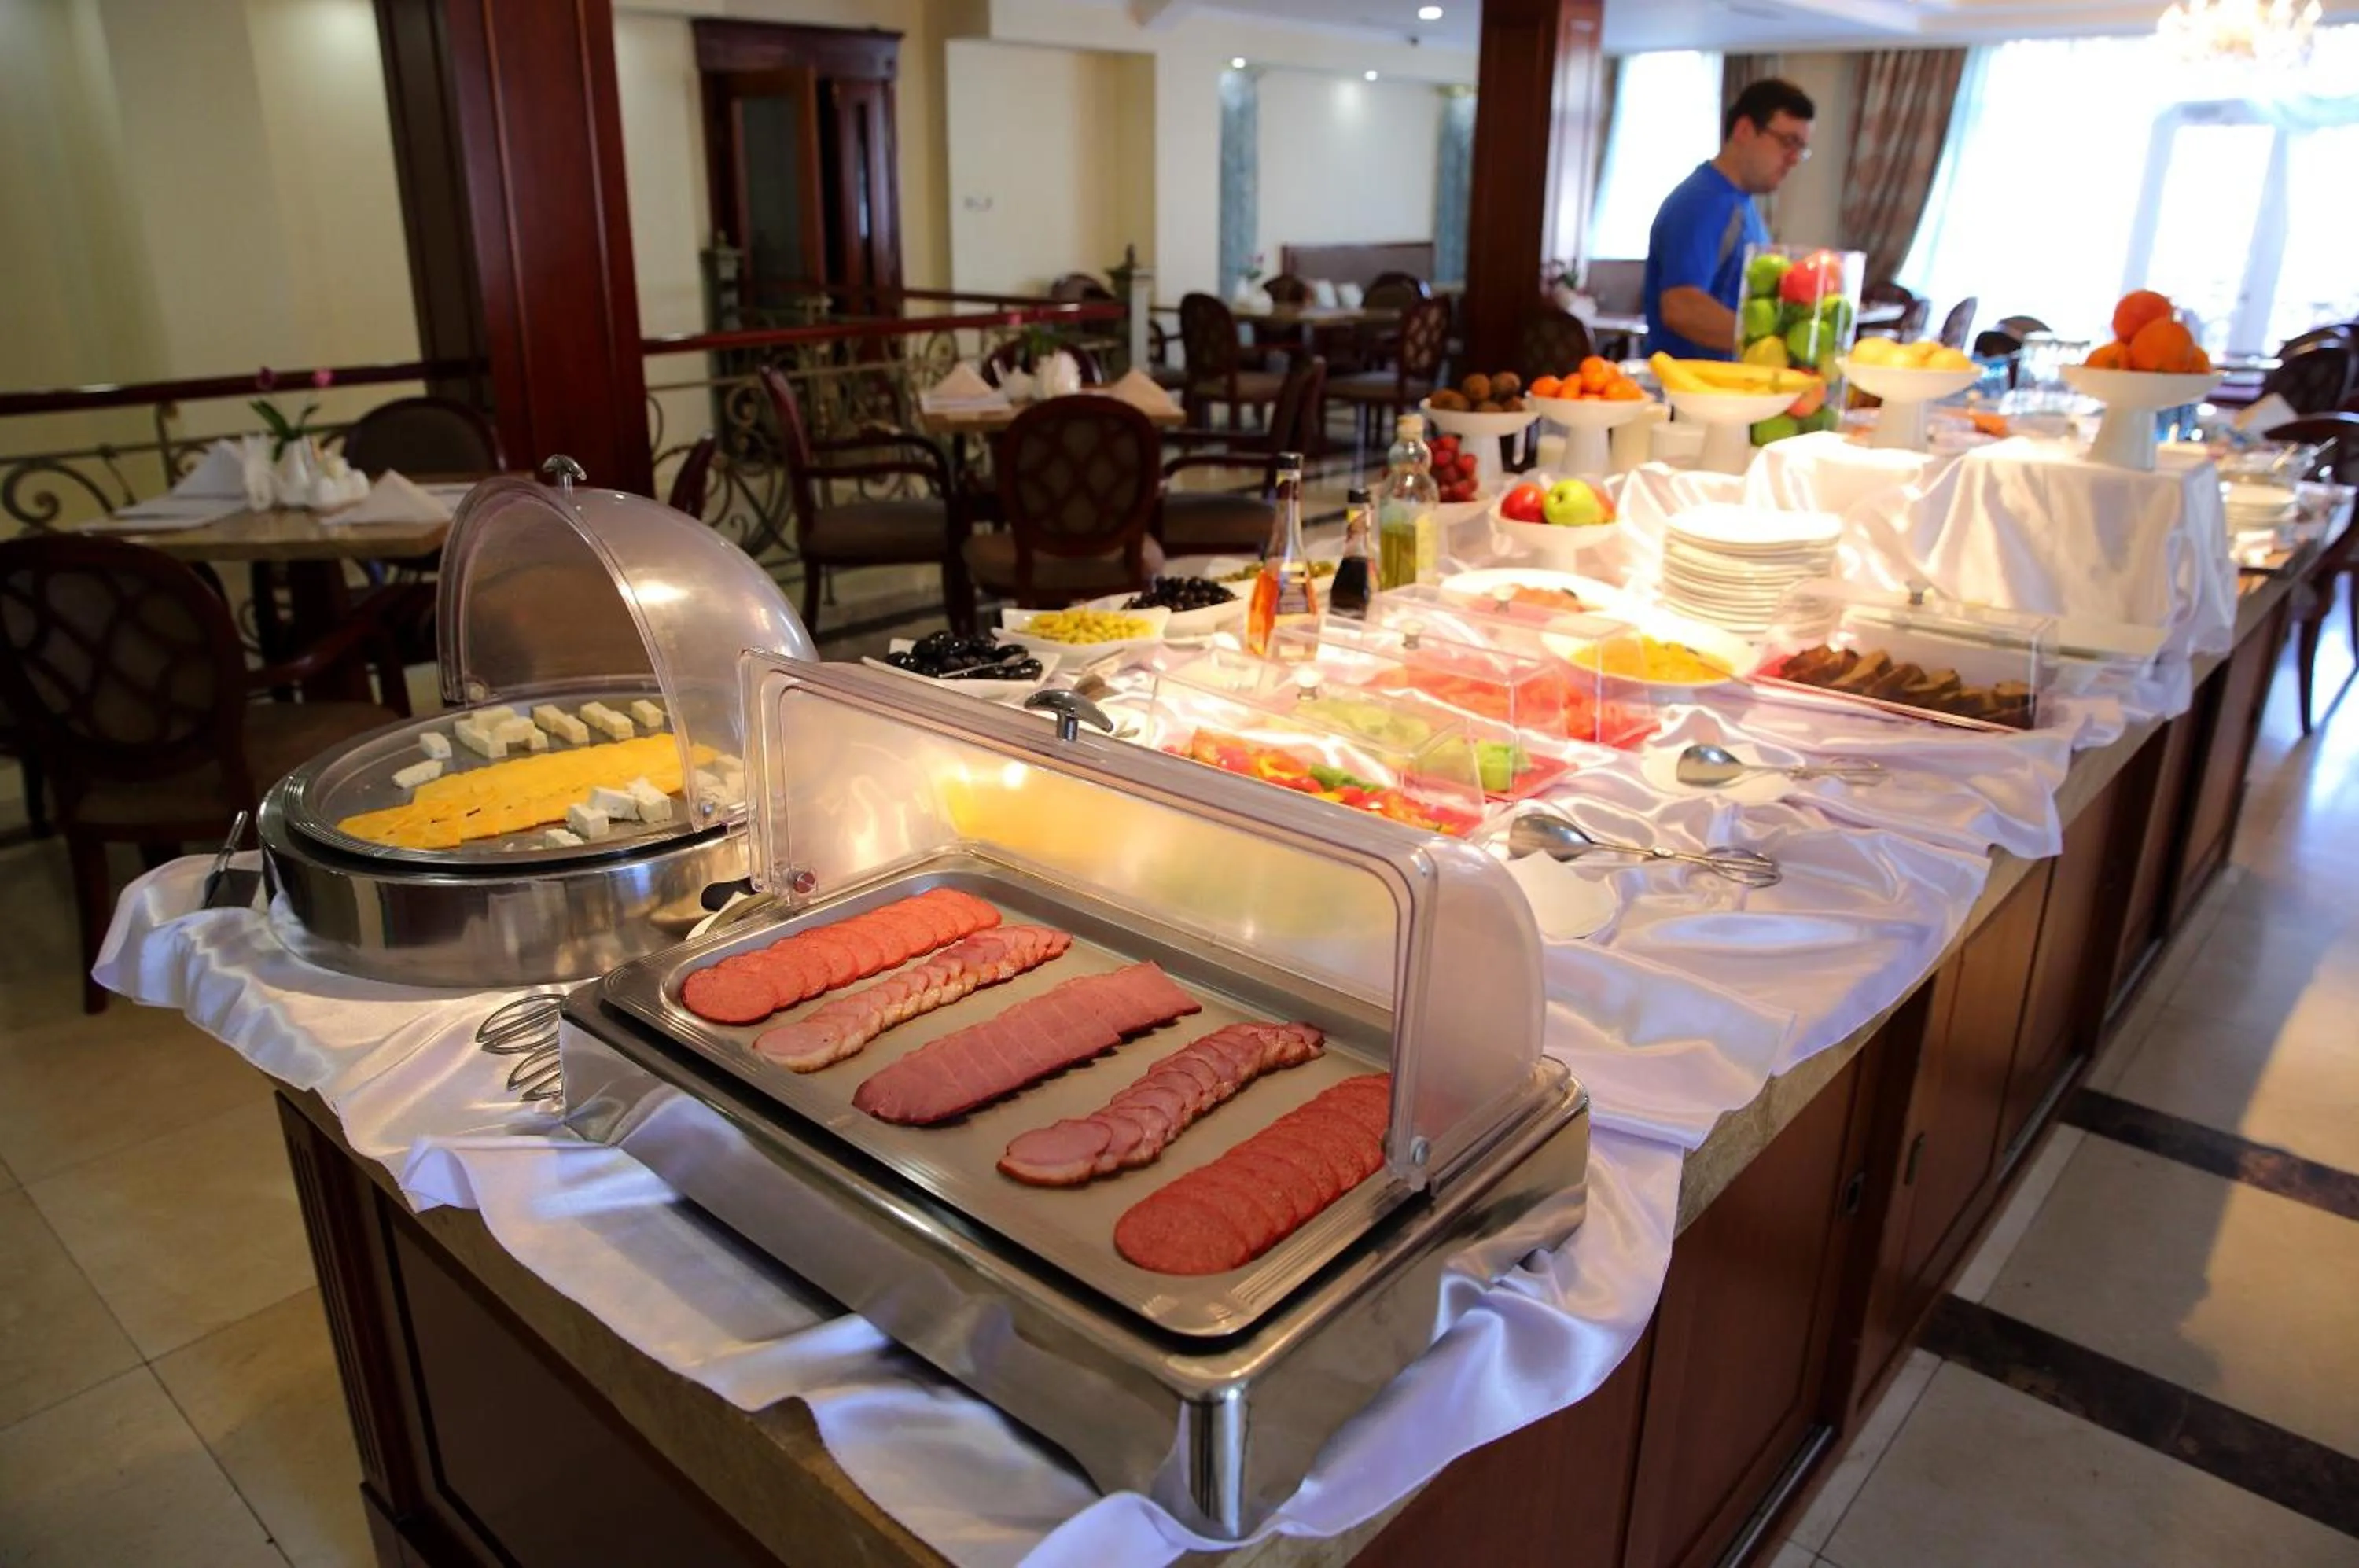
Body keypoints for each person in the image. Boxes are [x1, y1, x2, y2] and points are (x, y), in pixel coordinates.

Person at [1643, 79, 1817, 361]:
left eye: (1802, 149)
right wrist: (1779, 344)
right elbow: (1681, 307)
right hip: (1694, 395)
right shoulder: (1705, 201)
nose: (1794, 159)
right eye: (1789, 142)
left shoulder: (1739, 203)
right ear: (1745, 130)